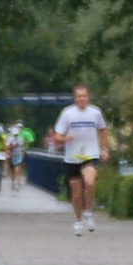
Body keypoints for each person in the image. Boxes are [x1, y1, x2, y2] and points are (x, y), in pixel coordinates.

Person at [50, 85, 111, 236]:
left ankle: (89, 212)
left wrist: (104, 149)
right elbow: (57, 135)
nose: (82, 99)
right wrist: (65, 138)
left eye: (84, 96)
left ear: (88, 97)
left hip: (90, 154)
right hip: (72, 157)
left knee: (89, 182)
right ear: (75, 98)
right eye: (79, 96)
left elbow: (103, 130)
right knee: (76, 193)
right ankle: (78, 220)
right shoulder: (68, 114)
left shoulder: (95, 113)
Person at [5, 122, 26, 191]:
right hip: (12, 155)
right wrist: (13, 146)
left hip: (18, 154)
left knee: (17, 167)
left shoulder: (21, 139)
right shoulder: (10, 139)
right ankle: (14, 181)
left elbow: (22, 146)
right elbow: (7, 147)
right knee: (13, 169)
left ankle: (16, 182)